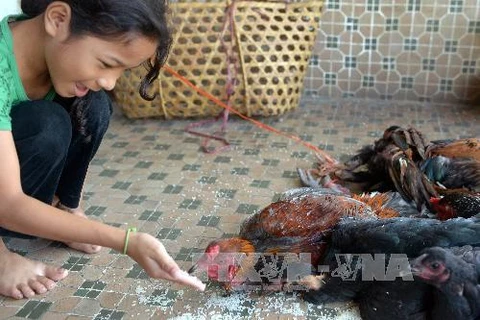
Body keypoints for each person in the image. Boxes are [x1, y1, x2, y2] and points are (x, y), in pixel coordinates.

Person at [0, 0, 205, 300]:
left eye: (123, 70)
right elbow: (9, 204)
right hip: (6, 201)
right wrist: (125, 242)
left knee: (94, 106)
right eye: (107, 64)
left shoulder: (54, 53)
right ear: (58, 19)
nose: (110, 80)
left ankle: (63, 213)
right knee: (48, 124)